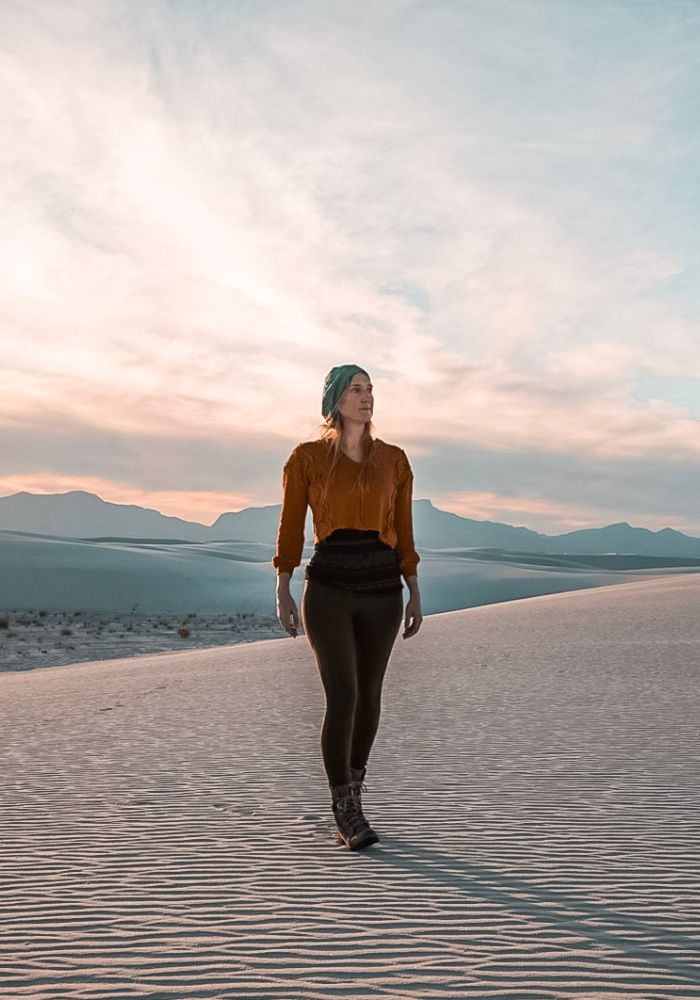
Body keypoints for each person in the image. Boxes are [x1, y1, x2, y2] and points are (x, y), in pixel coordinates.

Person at [272, 364, 423, 850]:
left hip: (382, 590)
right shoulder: (307, 459)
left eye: (370, 389)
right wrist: (283, 585)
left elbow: (403, 528)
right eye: (356, 390)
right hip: (330, 589)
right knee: (343, 696)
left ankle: (354, 792)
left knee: (370, 696)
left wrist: (414, 587)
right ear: (335, 400)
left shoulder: (396, 461)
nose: (367, 397)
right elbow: (291, 525)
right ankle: (344, 808)